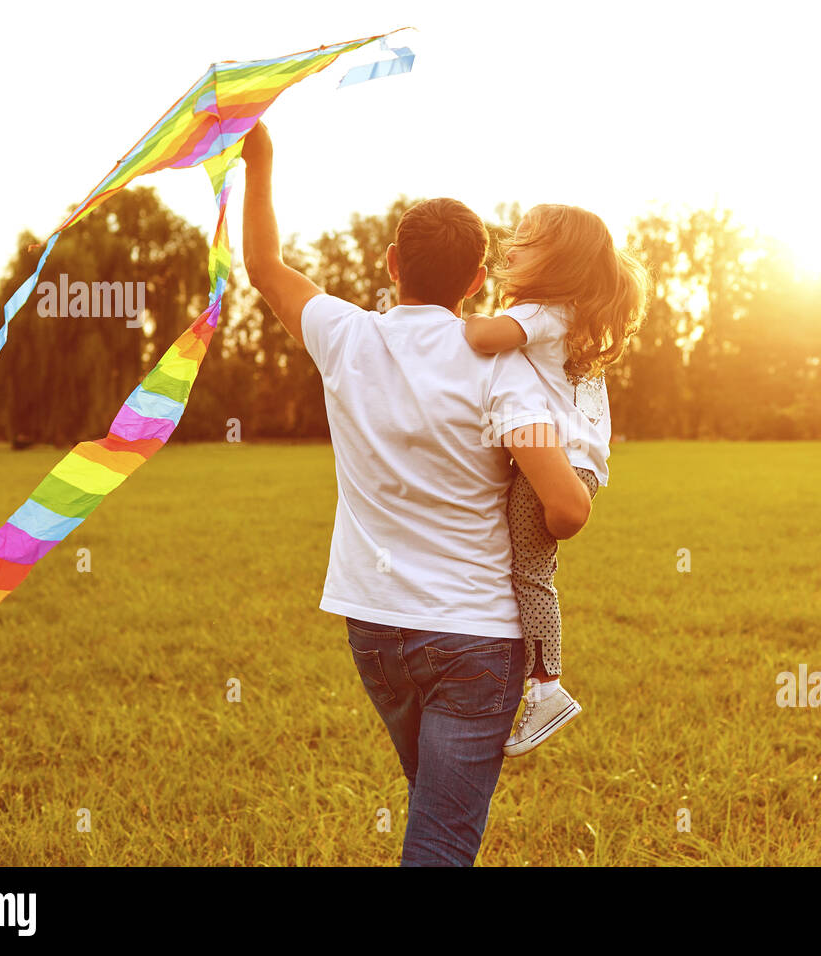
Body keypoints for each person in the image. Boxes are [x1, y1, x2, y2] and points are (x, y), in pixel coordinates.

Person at [239, 122, 592, 866]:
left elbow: (265, 265)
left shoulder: (344, 335)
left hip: (373, 630)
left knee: (432, 818)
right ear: (476, 282)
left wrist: (260, 156)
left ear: (392, 263)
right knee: (440, 840)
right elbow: (564, 508)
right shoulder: (501, 369)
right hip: (474, 637)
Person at [463, 205, 647, 755]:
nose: (510, 246)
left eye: (527, 239)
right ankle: (543, 683)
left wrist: (457, 318)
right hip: (585, 465)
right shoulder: (576, 318)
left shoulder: (541, 315)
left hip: (556, 464)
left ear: (558, 260)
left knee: (531, 573)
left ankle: (547, 687)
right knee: (534, 569)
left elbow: (482, 339)